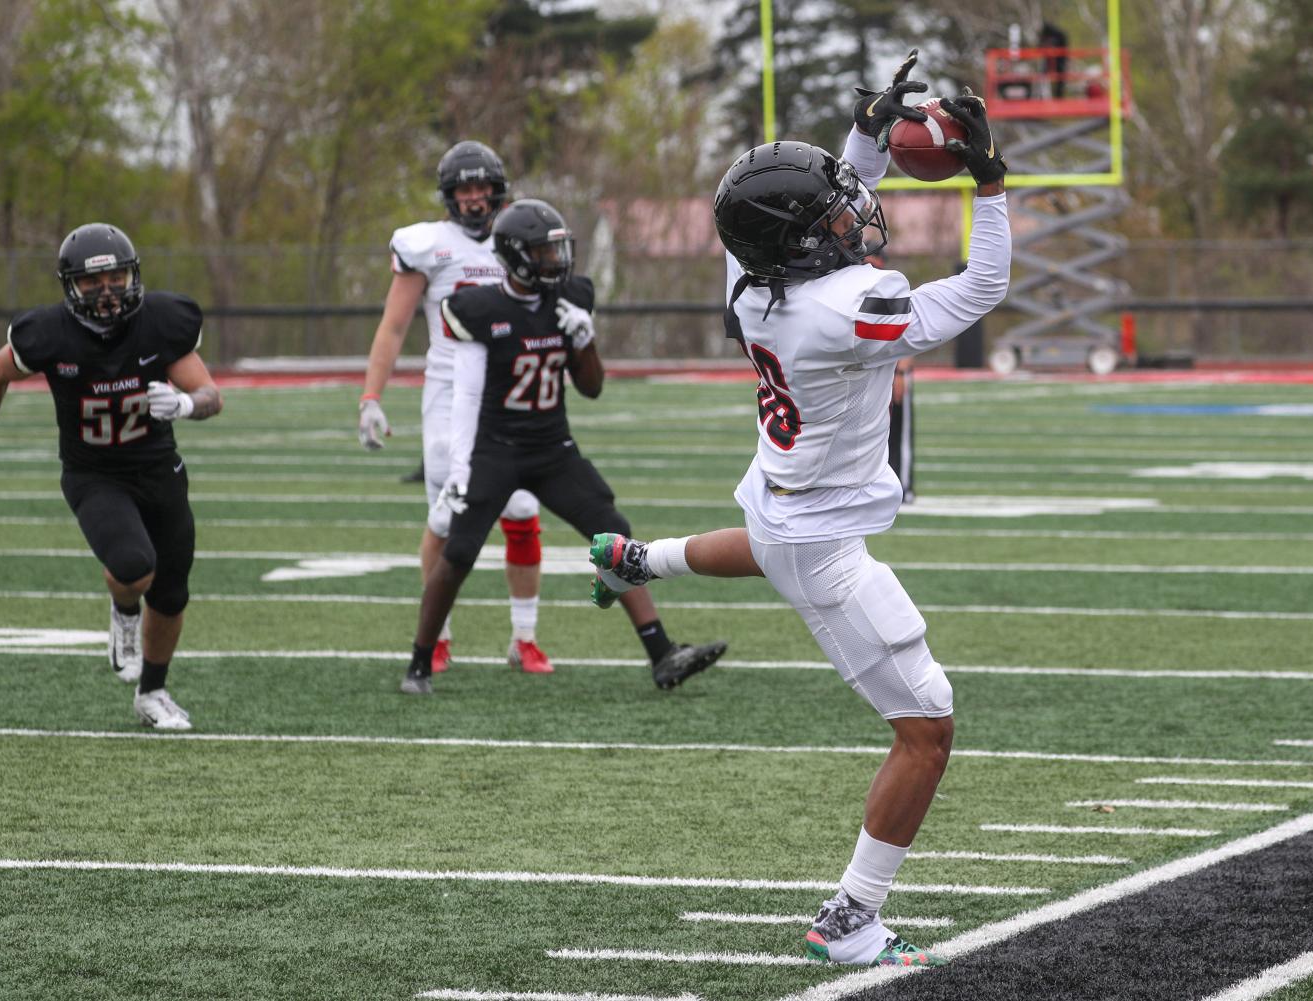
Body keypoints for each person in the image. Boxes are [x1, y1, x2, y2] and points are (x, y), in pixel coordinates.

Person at [588, 52, 1010, 967]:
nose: (852, 211)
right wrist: (988, 179)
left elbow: (829, 205)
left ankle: (640, 558)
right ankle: (853, 916)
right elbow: (981, 290)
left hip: (784, 505)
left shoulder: (750, 286)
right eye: (829, 213)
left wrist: (865, 131)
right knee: (927, 728)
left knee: (767, 543)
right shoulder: (850, 308)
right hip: (821, 539)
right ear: (800, 235)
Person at [398, 198, 727, 696]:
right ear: (516, 256)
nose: (558, 262)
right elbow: (465, 393)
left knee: (613, 533)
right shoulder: (480, 308)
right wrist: (463, 465)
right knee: (460, 549)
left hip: (552, 447)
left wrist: (584, 341)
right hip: (496, 446)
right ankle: (420, 661)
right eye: (544, 253)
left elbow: (592, 387)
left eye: (558, 251)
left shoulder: (570, 299)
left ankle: (662, 653)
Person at [0, 223, 223, 731]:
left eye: (117, 277)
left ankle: (153, 694)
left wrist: (187, 403)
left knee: (170, 593)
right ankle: (124, 611)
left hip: (158, 468)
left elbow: (211, 394)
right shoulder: (50, 332)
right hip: (93, 472)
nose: (107, 291)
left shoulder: (162, 321)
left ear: (132, 275)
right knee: (132, 564)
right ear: (70, 286)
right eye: (92, 282)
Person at [357, 140, 550, 676]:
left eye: (481, 186)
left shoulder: (519, 236)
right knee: (447, 514)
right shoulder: (428, 246)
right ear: (448, 195)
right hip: (448, 398)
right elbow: (393, 326)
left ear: (497, 190)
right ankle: (436, 635)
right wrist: (371, 396)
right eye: (463, 188)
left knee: (522, 512)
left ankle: (525, 637)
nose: (473, 198)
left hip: (510, 395)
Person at [865, 251, 916, 504]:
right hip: (867, 371)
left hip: (891, 368)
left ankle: (904, 486)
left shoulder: (889, 287)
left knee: (899, 433)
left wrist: (901, 372)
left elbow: (908, 331)